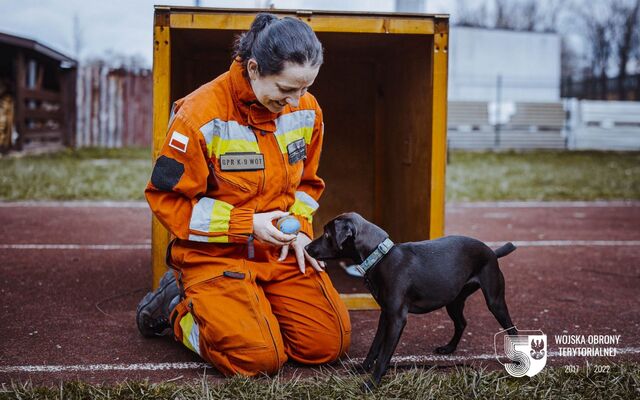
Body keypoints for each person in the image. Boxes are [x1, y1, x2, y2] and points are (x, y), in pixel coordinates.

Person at [136, 13, 351, 377]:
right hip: (214, 256)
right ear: (254, 68)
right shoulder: (198, 116)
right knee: (257, 359)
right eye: (286, 89)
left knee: (329, 344)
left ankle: (253, 314)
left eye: (305, 87)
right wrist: (245, 224)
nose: (296, 99)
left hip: (277, 252)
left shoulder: (307, 109)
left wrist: (299, 229)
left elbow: (307, 185)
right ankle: (177, 308)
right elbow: (167, 200)